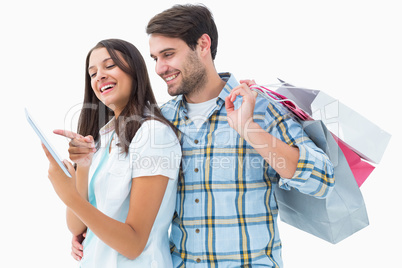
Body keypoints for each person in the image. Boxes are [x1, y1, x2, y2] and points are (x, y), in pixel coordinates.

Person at [145, 4, 335, 267]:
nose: (159, 68)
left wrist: (249, 129)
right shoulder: (161, 120)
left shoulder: (261, 108)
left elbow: (322, 180)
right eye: (155, 58)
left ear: (203, 45)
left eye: (168, 54)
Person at [42, 39, 181, 267]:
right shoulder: (103, 137)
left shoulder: (154, 135)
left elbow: (133, 244)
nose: (99, 76)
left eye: (109, 66)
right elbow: (77, 226)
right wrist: (83, 168)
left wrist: (68, 194)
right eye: (93, 73)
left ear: (135, 71)